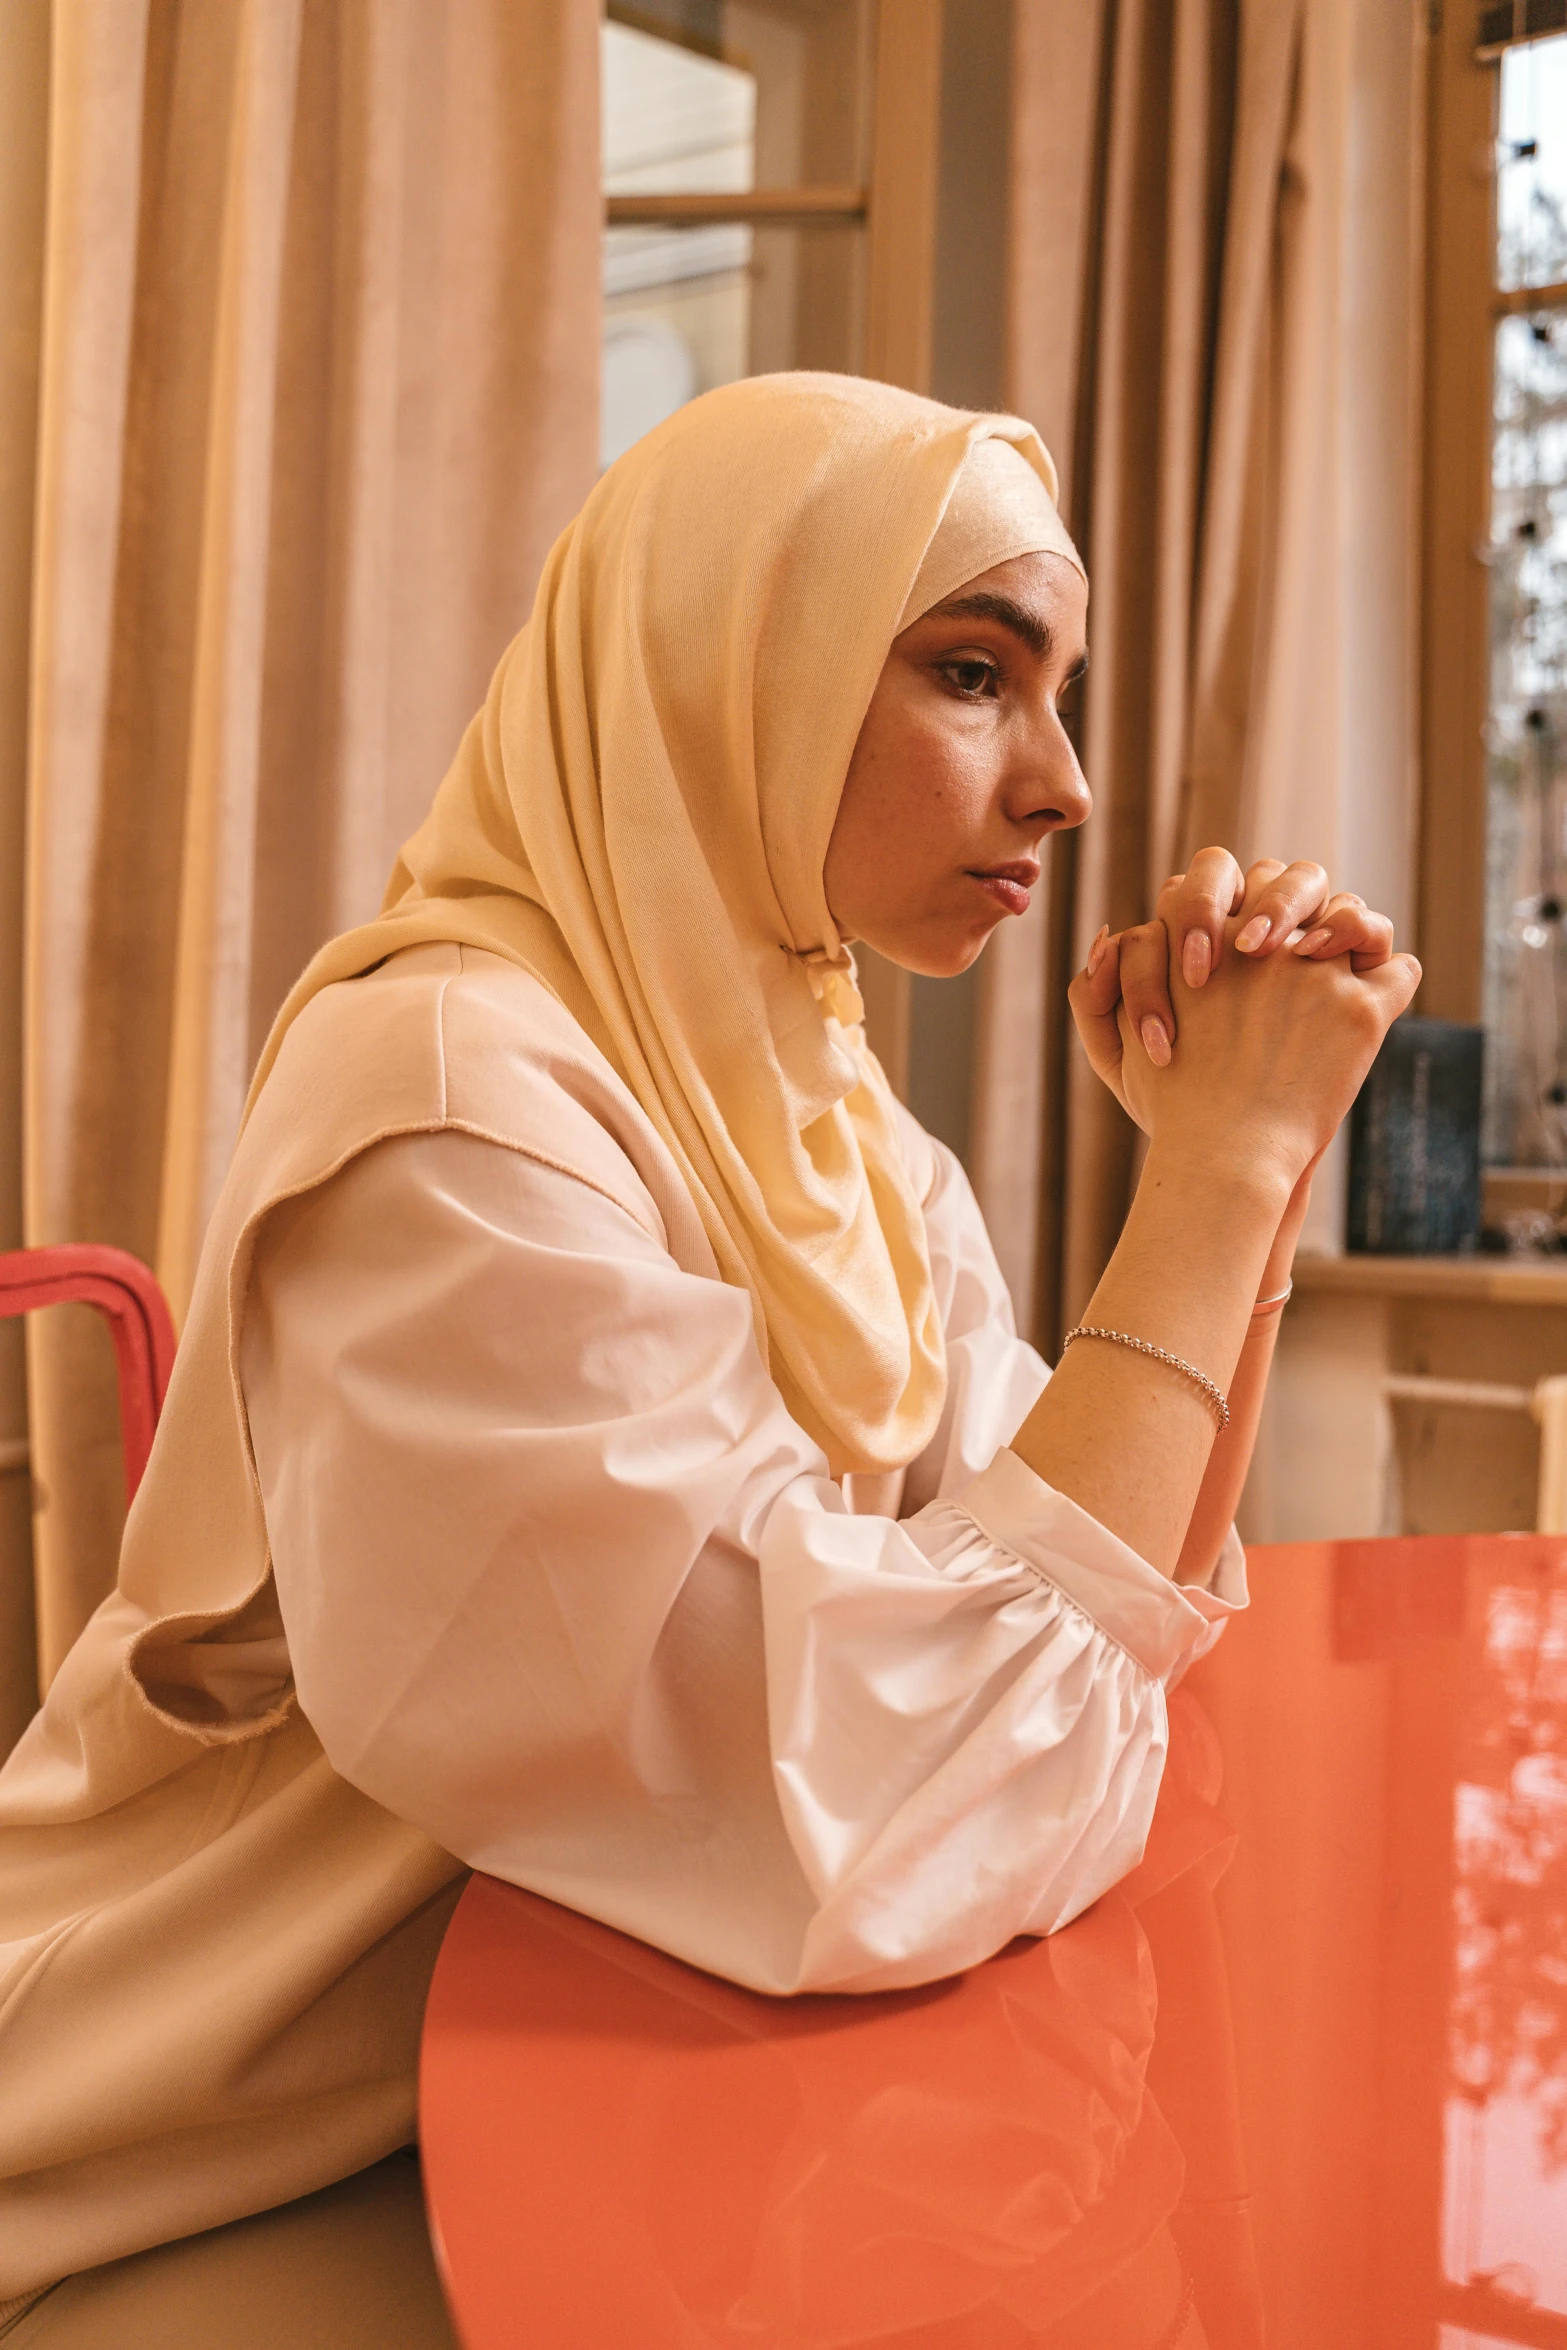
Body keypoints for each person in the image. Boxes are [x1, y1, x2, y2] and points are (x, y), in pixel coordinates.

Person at [0, 374, 1416, 2339]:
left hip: (609, 2031)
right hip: (212, 2132)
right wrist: (1221, 1173)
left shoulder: (811, 1088)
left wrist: (1226, 1184)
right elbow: (888, 1799)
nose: (1066, 784)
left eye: (1054, 683)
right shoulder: (452, 1103)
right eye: (972, 671)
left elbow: (1089, 1620)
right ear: (742, 662)